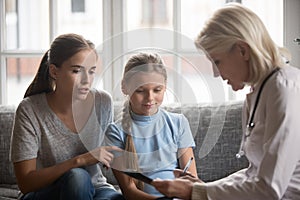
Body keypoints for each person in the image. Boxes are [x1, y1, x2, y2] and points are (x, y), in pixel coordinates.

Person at [152, 3, 300, 200]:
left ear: (243, 50)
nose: (216, 74)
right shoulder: (258, 92)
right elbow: (253, 174)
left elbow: (268, 189)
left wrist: (196, 192)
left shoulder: (284, 88)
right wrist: (204, 187)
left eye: (217, 62)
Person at [10, 33, 124, 200]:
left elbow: (113, 155)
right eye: (77, 70)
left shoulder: (102, 101)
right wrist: (79, 161)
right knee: (78, 178)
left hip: (96, 189)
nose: (87, 80)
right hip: (45, 193)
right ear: (54, 71)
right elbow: (26, 183)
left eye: (92, 71)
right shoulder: (29, 109)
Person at [104, 52, 197, 200]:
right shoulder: (115, 132)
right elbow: (129, 191)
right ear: (125, 87)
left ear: (165, 87)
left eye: (157, 90)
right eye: (140, 90)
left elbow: (192, 181)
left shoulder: (178, 123)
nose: (150, 98)